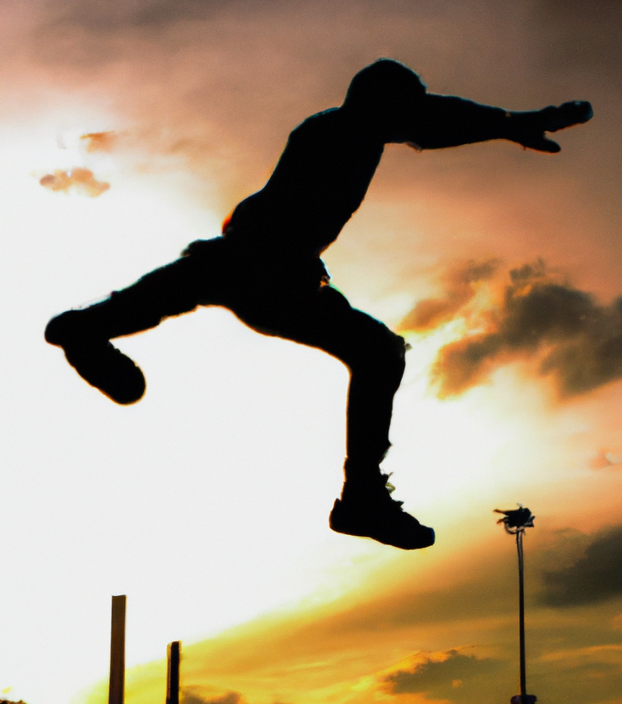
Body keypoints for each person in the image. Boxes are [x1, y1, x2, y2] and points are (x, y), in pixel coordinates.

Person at [44, 59, 592, 550]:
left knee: (198, 282)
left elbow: (432, 119)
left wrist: (506, 123)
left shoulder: (355, 130)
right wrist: (506, 122)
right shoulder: (337, 131)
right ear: (381, 106)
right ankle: (361, 498)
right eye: (408, 108)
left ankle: (88, 328)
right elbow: (433, 121)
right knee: (375, 351)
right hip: (268, 265)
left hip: (258, 262)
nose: (414, 123)